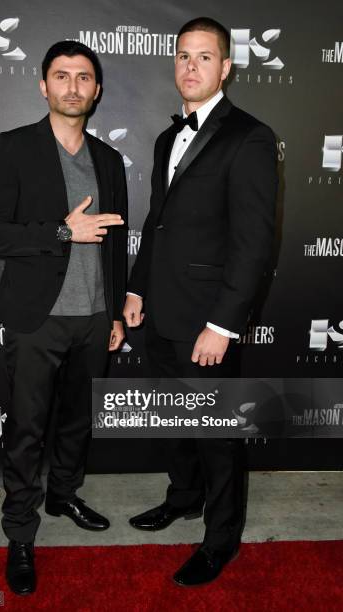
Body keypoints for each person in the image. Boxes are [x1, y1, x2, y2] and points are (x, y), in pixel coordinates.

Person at [124, 17, 278, 587]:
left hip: (207, 321)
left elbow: (254, 242)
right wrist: (136, 288)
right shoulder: (168, 138)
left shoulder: (251, 137)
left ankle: (221, 540)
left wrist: (223, 324)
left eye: (204, 57)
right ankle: (184, 498)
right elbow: (157, 222)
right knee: (173, 421)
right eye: (183, 56)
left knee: (217, 436)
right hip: (161, 312)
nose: (191, 66)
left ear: (226, 67)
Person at [0, 40, 127, 595]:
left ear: (96, 89)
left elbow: (115, 246)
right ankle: (20, 531)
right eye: (61, 76)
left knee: (76, 422)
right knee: (25, 431)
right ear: (43, 86)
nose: (72, 86)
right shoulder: (15, 148)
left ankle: (64, 494)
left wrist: (114, 311)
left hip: (94, 317)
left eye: (83, 77)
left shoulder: (109, 161)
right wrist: (62, 231)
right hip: (35, 319)